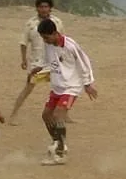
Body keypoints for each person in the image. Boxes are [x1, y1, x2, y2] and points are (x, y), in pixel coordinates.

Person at [34, 19, 96, 166]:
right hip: (57, 86)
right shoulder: (48, 45)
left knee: (58, 114)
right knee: (46, 115)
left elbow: (84, 62)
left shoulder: (70, 45)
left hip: (71, 87)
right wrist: (39, 68)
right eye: (43, 38)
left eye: (47, 37)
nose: (45, 41)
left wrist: (88, 83)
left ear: (55, 33)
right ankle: (58, 142)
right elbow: (49, 60)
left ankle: (60, 153)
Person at [10, 0, 63, 122]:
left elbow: (61, 40)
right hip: (37, 62)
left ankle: (63, 114)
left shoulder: (57, 22)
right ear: (37, 8)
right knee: (28, 87)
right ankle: (13, 114)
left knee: (61, 87)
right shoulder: (30, 24)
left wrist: (62, 57)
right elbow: (24, 42)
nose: (43, 9)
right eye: (41, 6)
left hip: (54, 60)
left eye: (46, 6)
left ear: (50, 8)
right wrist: (23, 60)